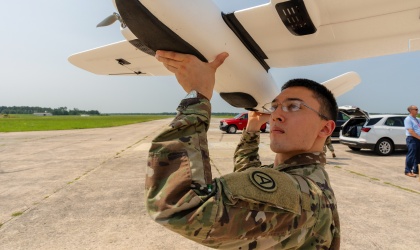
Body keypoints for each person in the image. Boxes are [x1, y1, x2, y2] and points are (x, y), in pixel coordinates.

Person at [146, 50, 340, 249]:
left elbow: (178, 205)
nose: (276, 116)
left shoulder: (299, 192)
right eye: (275, 107)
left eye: (294, 107)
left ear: (326, 128)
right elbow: (248, 182)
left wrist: (198, 96)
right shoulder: (306, 177)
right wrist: (252, 128)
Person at [403, 105, 420, 177]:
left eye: (417, 109)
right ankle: (408, 171)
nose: (417, 110)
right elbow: (411, 131)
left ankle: (416, 170)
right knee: (411, 155)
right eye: (415, 109)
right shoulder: (408, 119)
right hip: (412, 139)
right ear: (410, 110)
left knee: (418, 155)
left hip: (418, 139)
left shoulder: (418, 119)